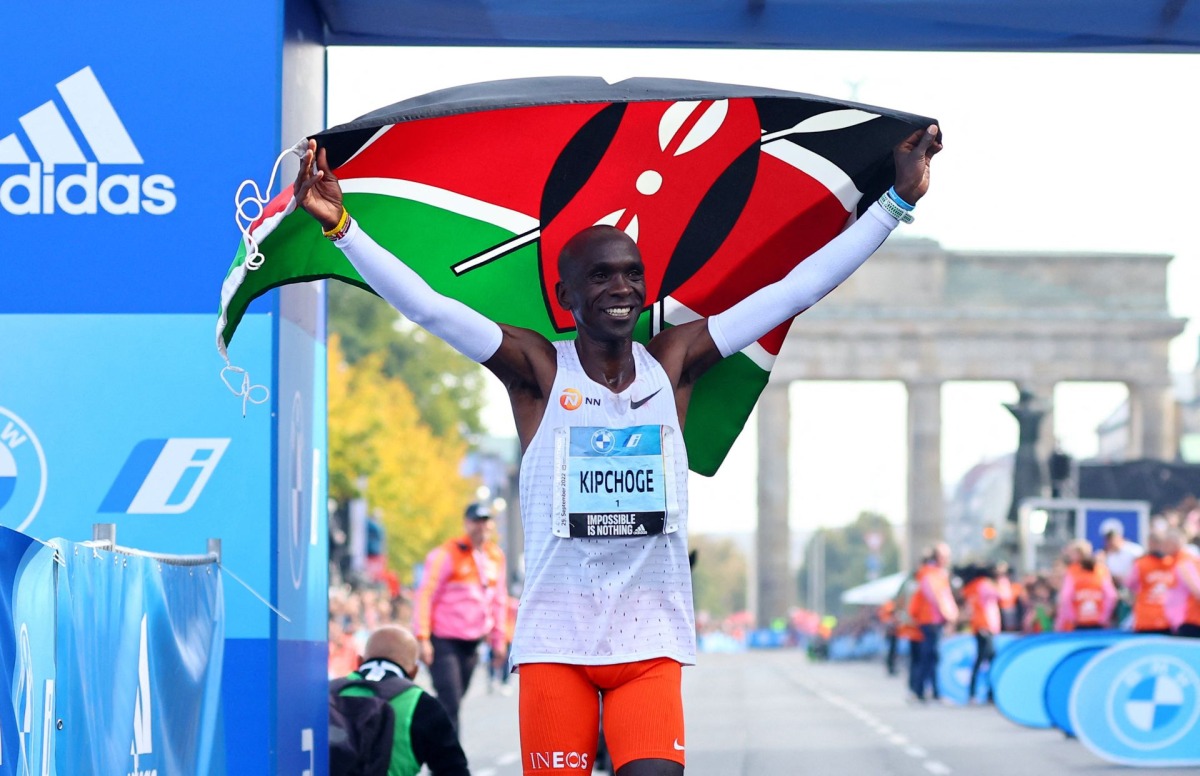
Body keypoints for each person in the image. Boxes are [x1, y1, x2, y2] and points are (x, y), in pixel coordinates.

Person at [295, 121, 941, 775]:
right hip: (556, 648)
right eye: (601, 277)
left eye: (633, 275)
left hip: (650, 644)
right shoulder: (539, 370)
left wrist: (897, 203)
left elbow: (794, 289)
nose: (622, 288)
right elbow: (430, 308)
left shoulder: (677, 361)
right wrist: (343, 227)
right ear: (565, 295)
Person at [412, 503, 509, 730]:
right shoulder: (447, 554)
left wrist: (498, 640)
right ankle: (450, 764)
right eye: (476, 520)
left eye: (486, 520)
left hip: (472, 642)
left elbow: (499, 600)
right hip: (444, 641)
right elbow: (425, 594)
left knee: (454, 699)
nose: (481, 526)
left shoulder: (495, 556)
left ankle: (431, 740)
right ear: (466, 523)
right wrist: (422, 637)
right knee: (450, 702)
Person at [331, 624, 470, 776]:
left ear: (359, 661)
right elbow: (453, 769)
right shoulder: (422, 703)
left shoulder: (328, 691)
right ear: (414, 672)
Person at [907, 543, 958, 703]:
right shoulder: (930, 575)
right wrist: (950, 615)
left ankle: (927, 691)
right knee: (929, 656)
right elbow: (937, 598)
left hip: (934, 620)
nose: (947, 559)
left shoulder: (936, 574)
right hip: (930, 621)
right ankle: (923, 691)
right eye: (945, 556)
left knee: (932, 657)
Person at [1055, 540, 1116, 631]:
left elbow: (1066, 597)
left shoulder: (1072, 571)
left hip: (1079, 622)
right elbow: (1111, 595)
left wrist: (1072, 617)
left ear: (1078, 554)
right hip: (1099, 621)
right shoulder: (1101, 570)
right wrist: (1104, 617)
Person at [1127, 528, 1178, 635]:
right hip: (1157, 618)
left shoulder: (1141, 563)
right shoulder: (1172, 562)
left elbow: (1130, 585)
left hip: (1160, 618)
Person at [961, 564, 1000, 703]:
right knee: (992, 660)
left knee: (980, 661)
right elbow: (1003, 595)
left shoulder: (970, 588)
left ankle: (973, 693)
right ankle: (991, 693)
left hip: (977, 627)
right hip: (986, 626)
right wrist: (1001, 578)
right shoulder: (984, 584)